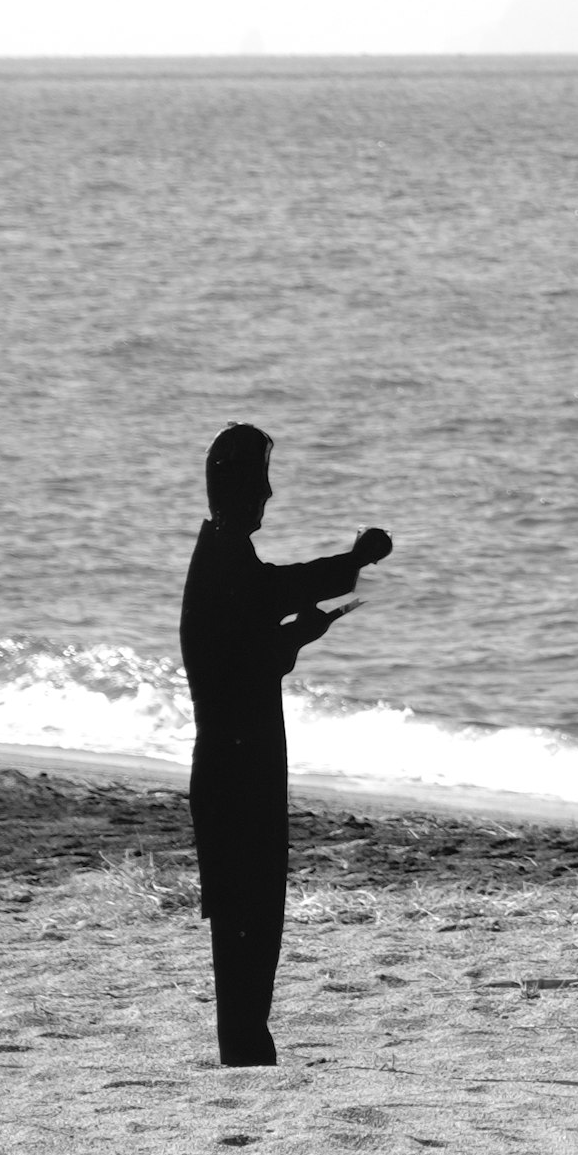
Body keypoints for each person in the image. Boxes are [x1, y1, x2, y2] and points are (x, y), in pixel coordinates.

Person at [177, 423, 390, 1068]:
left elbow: (255, 638)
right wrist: (351, 563)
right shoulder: (222, 558)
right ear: (236, 487)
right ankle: (243, 1049)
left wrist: (302, 629)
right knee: (249, 910)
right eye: (259, 482)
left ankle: (248, 1044)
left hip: (242, 758)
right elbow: (271, 603)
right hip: (235, 764)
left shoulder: (221, 553)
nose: (268, 495)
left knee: (255, 909)